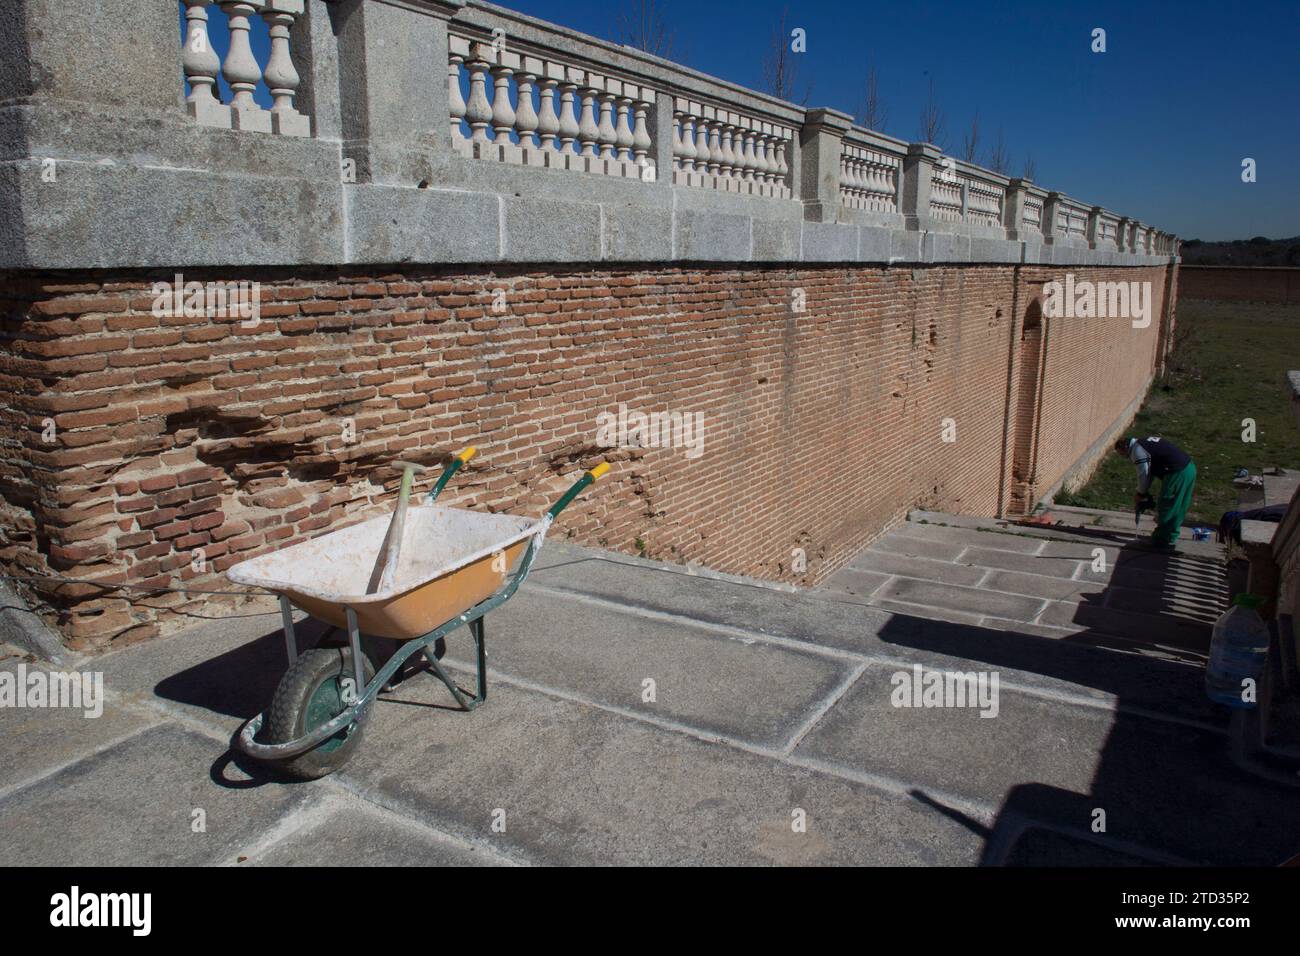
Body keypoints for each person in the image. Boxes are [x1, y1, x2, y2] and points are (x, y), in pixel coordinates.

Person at [1113, 435, 1197, 550]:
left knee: (1167, 504)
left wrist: (1140, 494)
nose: (1124, 457)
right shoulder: (1144, 443)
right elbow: (1150, 473)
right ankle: (1170, 537)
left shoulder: (1137, 450)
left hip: (1177, 472)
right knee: (1179, 506)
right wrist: (1144, 491)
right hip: (1188, 468)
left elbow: (1144, 474)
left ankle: (1160, 540)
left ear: (1124, 448)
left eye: (1122, 454)